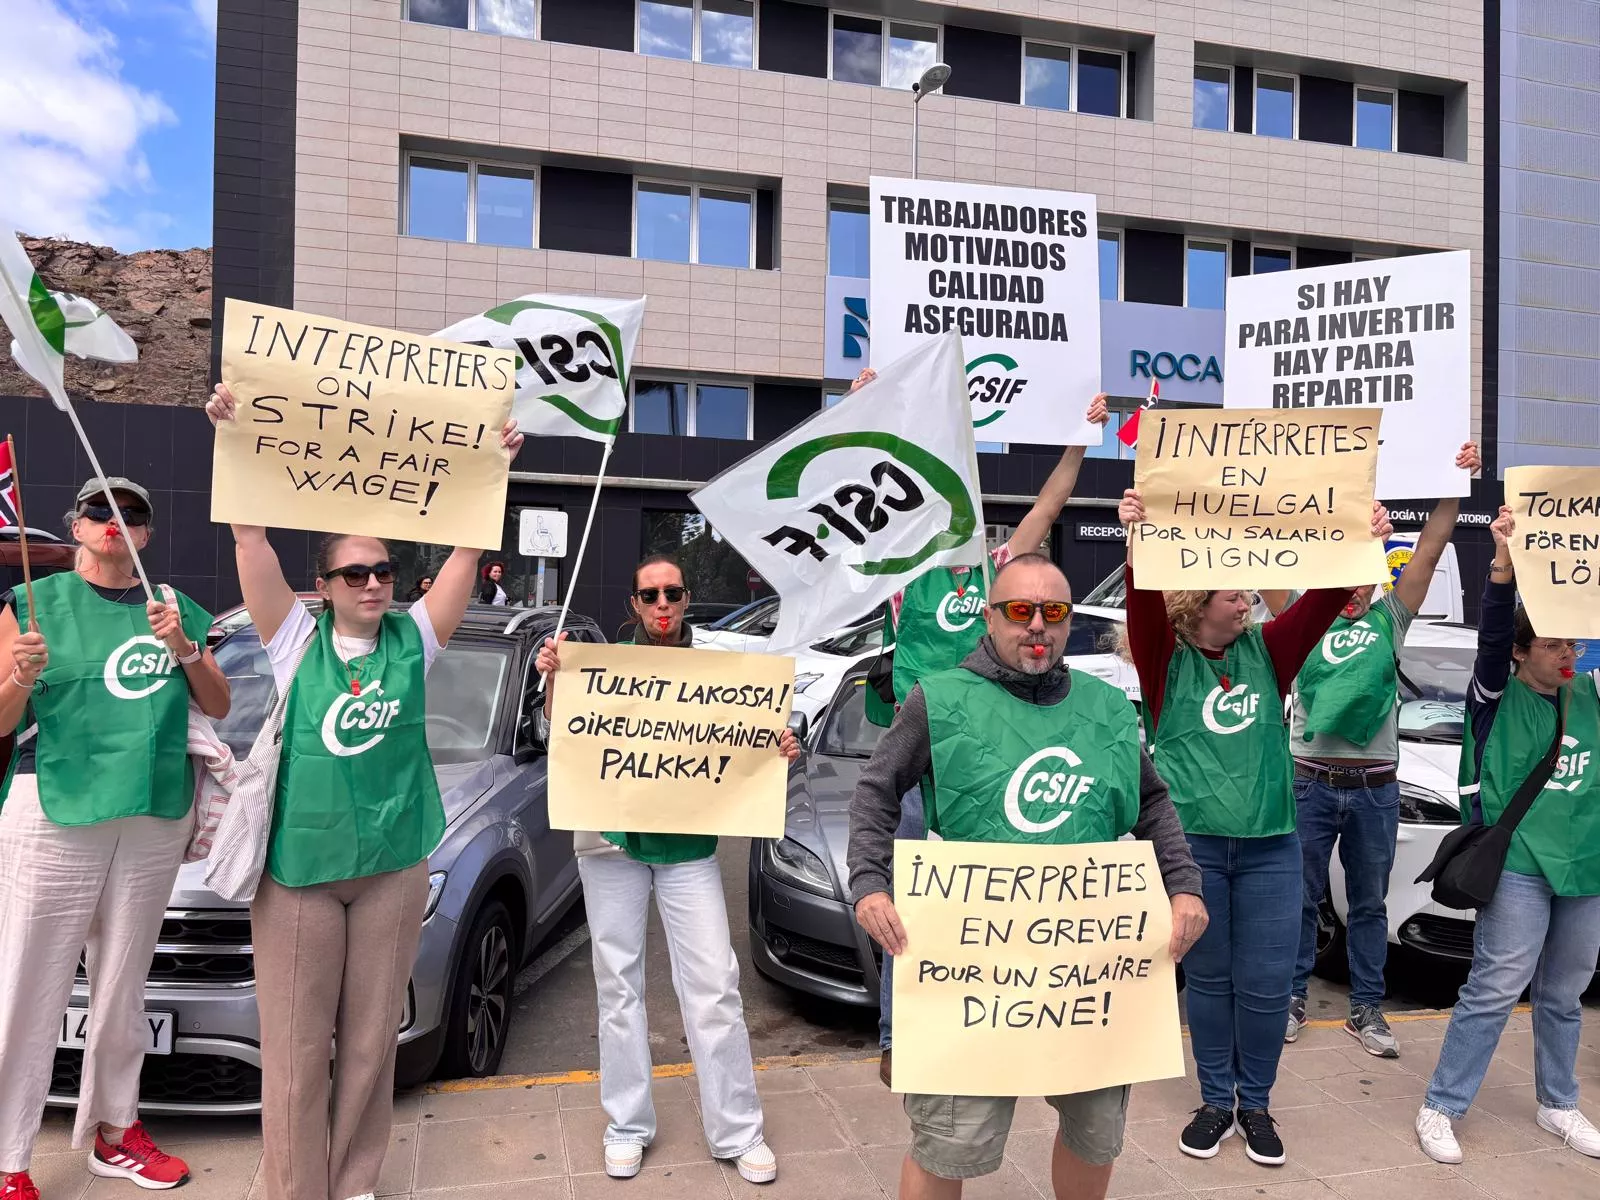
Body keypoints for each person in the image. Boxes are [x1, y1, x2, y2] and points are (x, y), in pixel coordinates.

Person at [206, 383, 522, 1200]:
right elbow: (250, 540)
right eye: (356, 572)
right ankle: (294, 1187)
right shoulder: (291, 643)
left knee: (372, 1043)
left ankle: (353, 1183)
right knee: (298, 1049)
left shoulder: (415, 641)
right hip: (301, 875)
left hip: (392, 867)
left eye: (384, 569)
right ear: (326, 584)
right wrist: (234, 442)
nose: (374, 583)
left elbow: (459, 557)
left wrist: (494, 470)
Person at [846, 553, 1208, 1200]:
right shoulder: (941, 698)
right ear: (989, 618)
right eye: (1019, 610)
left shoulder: (1107, 707)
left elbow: (1151, 802)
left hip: (1087, 973)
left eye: (1054, 612)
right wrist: (869, 883)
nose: (1037, 625)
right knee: (946, 1144)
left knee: (1094, 1130)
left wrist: (1184, 886)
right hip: (970, 973)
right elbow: (876, 790)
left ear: (1070, 622)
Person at [1118, 489, 1392, 1167]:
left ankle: (1257, 1104)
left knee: (1268, 984)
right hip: (1194, 851)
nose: (1248, 603)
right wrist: (1136, 539)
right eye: (1234, 595)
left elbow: (1322, 600)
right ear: (1198, 603)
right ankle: (1216, 1102)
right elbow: (1143, 602)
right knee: (1209, 983)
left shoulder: (1269, 652)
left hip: (1272, 844)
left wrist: (1367, 539)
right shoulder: (1164, 663)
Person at [861, 363, 1110, 1085]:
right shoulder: (902, 573)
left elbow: (1052, 506)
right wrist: (864, 412)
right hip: (920, 757)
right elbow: (863, 501)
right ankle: (897, 1035)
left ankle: (996, 1019)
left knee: (985, 900)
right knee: (906, 909)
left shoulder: (999, 575)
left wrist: (1077, 439)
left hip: (988, 754)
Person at [535, 554, 801, 1185]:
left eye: (672, 592)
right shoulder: (600, 665)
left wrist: (777, 747)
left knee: (715, 986)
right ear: (633, 602)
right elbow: (561, 736)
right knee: (617, 987)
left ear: (685, 600)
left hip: (688, 850)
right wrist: (554, 680)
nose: (661, 603)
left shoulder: (721, 673)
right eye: (649, 593)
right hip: (610, 845)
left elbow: (743, 751)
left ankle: (737, 1129)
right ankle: (626, 1123)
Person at [0, 478, 230, 1199]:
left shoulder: (173, 605)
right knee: (28, 982)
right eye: (101, 511)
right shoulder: (28, 604)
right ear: (77, 525)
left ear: (148, 535)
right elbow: (1, 720)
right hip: (57, 804)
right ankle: (9, 1155)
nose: (115, 522)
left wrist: (186, 648)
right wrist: (17, 674)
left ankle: (116, 1131)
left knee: (124, 981)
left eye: (131, 514)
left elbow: (219, 702)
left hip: (153, 807)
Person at [1281, 442, 1482, 1057]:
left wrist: (1454, 483)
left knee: (1368, 903)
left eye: (1364, 571)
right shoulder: (1300, 620)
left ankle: (1366, 1009)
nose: (1353, 586)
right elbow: (1258, 551)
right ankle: (1292, 997)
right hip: (1309, 782)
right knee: (1300, 896)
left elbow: (1429, 549)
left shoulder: (1389, 620)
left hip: (1373, 788)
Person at [1414, 504, 1600, 1165]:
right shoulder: (1497, 692)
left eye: (1571, 644)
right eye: (1553, 645)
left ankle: (1559, 1102)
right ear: (1524, 653)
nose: (1566, 655)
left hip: (1586, 867)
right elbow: (1492, 639)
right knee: (1495, 987)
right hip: (1520, 864)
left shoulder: (1591, 694)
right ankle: (1442, 1105)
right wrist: (1500, 563)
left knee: (1564, 993)